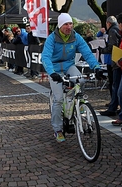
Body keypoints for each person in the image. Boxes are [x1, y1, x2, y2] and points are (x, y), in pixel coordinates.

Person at [42, 13, 101, 142]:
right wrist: (51, 73)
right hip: (55, 69)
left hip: (69, 66)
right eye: (66, 24)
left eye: (70, 24)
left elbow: (87, 52)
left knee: (81, 80)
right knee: (58, 99)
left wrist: (96, 67)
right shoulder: (52, 38)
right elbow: (45, 57)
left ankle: (78, 104)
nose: (69, 27)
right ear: (60, 26)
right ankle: (57, 129)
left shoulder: (76, 37)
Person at [99, 15, 122, 116]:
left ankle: (113, 107)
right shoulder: (118, 30)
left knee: (115, 84)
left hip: (116, 61)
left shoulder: (113, 31)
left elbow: (112, 46)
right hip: (119, 60)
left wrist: (102, 50)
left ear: (108, 23)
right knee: (116, 84)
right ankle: (116, 105)